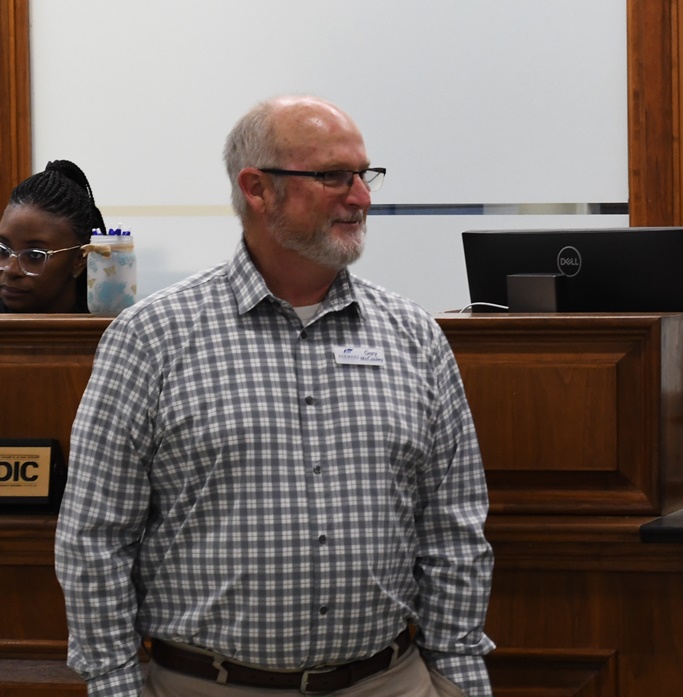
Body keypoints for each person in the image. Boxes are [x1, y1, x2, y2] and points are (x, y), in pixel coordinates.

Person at [55, 95, 494, 697]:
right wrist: (113, 683)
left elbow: (453, 531)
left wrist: (458, 679)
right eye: (333, 176)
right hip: (205, 685)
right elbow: (95, 536)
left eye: (363, 175)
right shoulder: (152, 338)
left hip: (389, 680)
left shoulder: (413, 336)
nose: (361, 198)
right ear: (257, 188)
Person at [0, 159, 106, 313]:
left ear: (79, 260)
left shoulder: (114, 326)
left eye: (35, 255)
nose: (10, 270)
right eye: (2, 250)